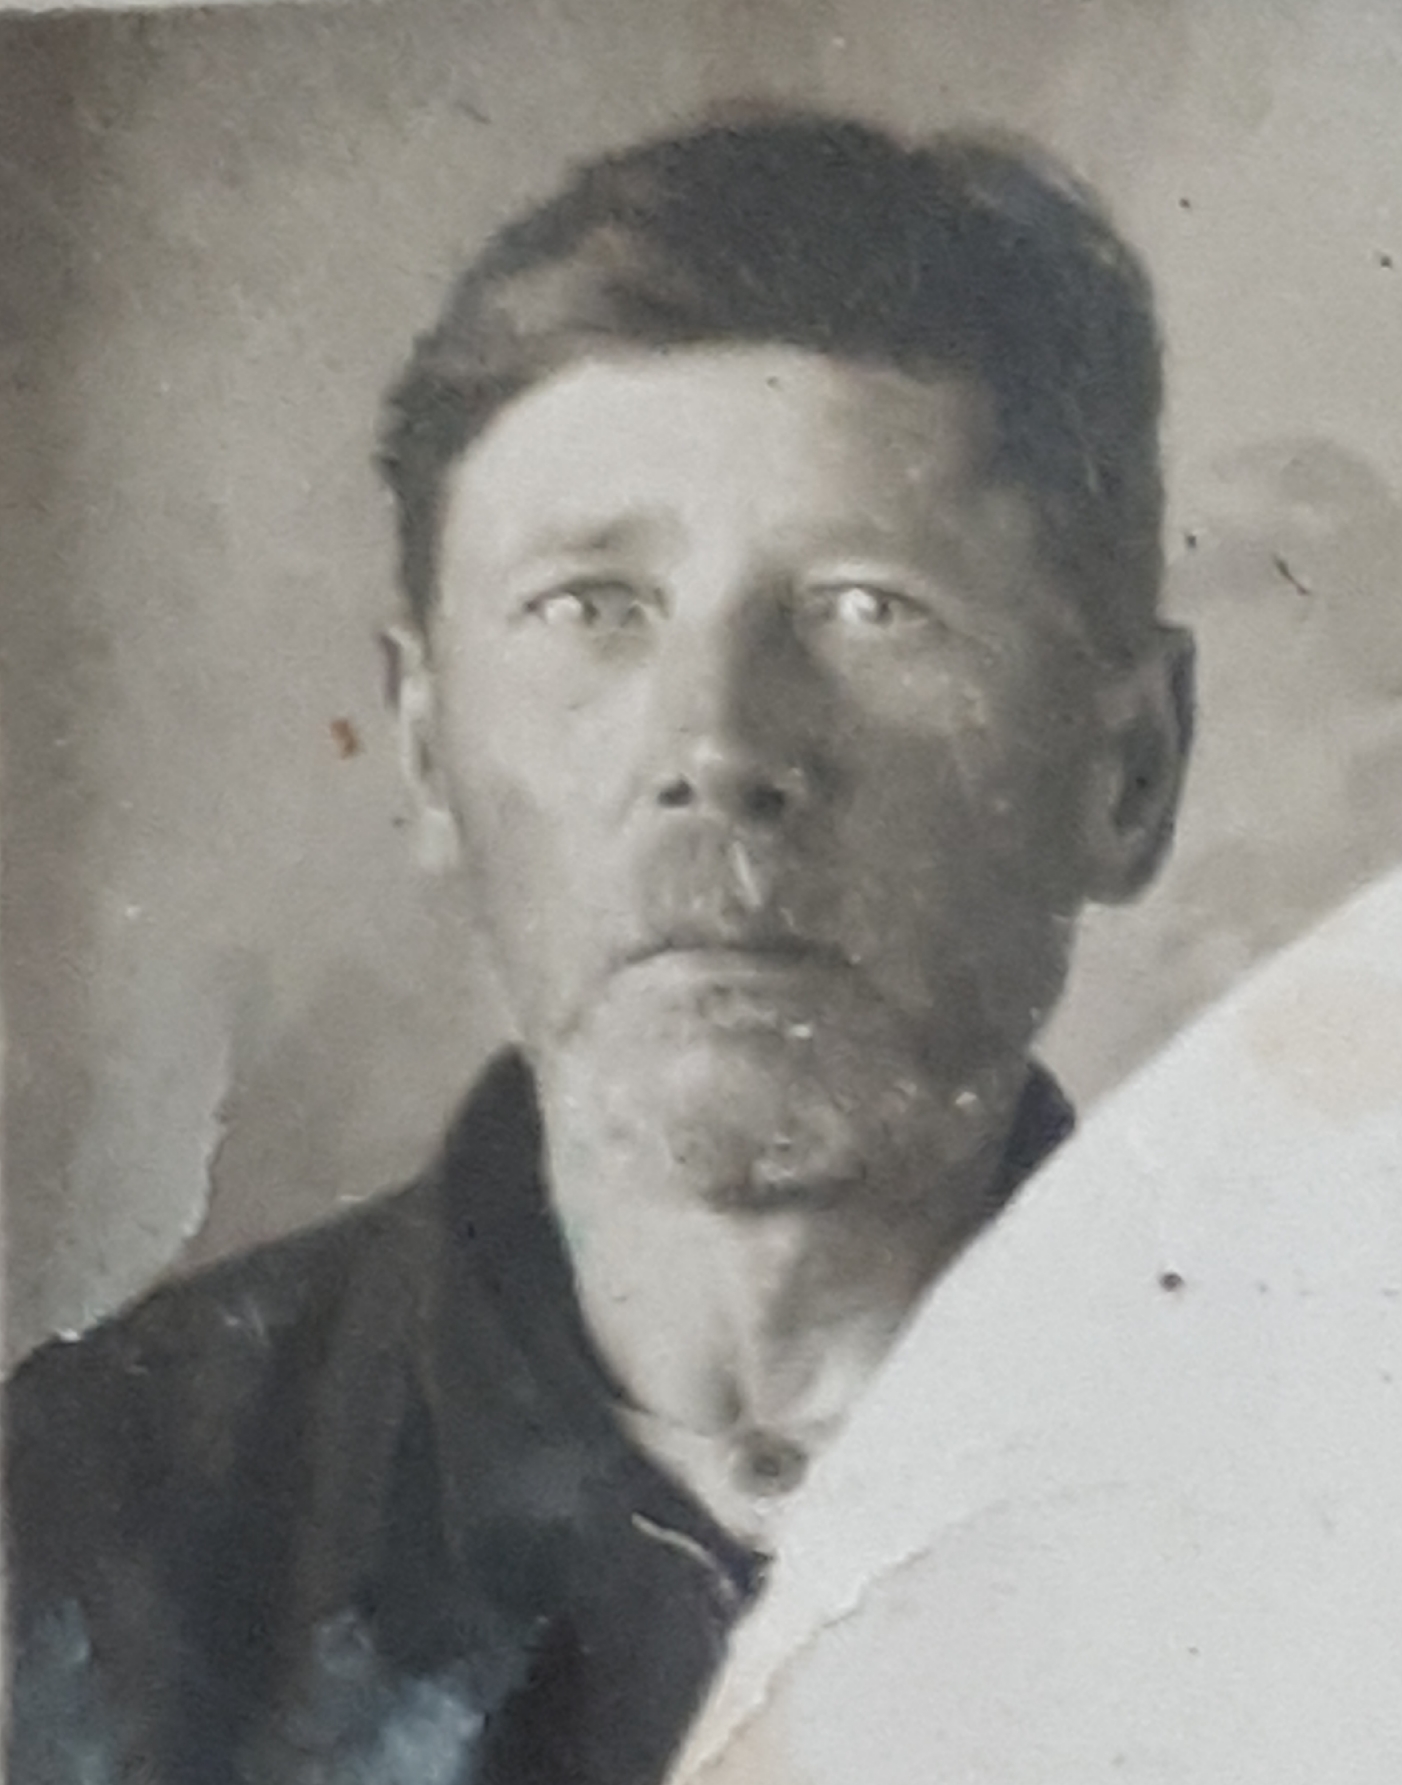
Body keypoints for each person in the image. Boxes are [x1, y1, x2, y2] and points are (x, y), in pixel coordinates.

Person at [6, 112, 1193, 1785]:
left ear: (1125, 768)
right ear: (425, 744)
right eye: (592, 606)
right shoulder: (81, 1526)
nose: (717, 745)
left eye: (867, 605)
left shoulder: (1342, 1468)